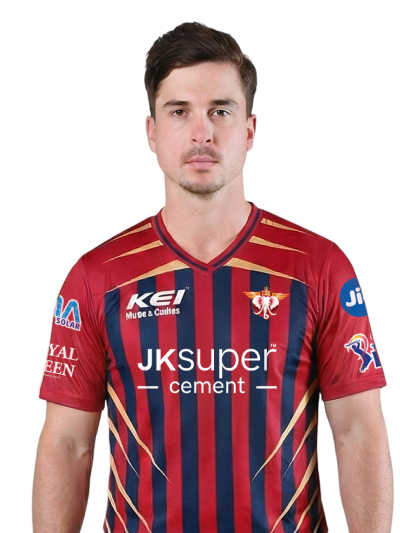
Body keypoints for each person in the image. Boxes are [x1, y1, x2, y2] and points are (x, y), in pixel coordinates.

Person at [32, 21, 394, 533]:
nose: (201, 132)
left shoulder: (319, 265)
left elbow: (358, 430)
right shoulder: (96, 276)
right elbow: (68, 443)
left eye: (220, 111)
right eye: (179, 111)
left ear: (249, 130)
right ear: (151, 132)